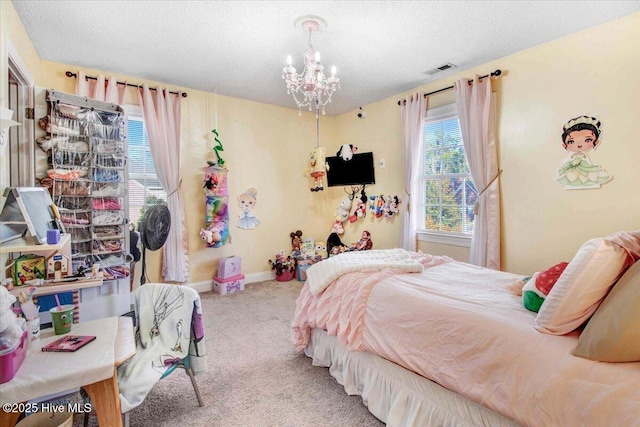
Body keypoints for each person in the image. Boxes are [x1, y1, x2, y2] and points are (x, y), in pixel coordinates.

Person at [555, 115, 612, 189]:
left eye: (588, 140)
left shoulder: (584, 155)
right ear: (564, 144)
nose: (579, 145)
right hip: (573, 167)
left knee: (587, 175)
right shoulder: (572, 156)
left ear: (596, 142)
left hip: (584, 166)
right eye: (571, 141)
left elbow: (587, 161)